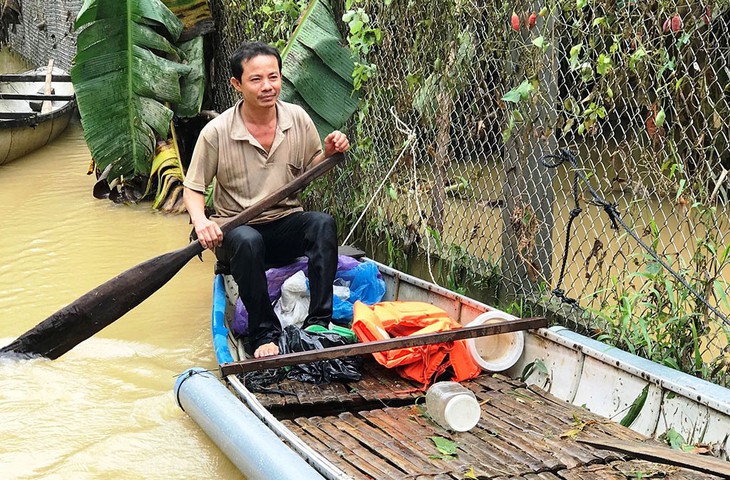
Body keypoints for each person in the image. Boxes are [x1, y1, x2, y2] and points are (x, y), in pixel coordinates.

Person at [182, 42, 350, 358]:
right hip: (238, 232)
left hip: (284, 224)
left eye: (273, 77)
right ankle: (263, 334)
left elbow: (312, 167)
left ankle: (318, 323)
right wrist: (202, 222)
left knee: (322, 223)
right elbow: (192, 189)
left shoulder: (297, 119)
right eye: (256, 79)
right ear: (237, 85)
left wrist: (329, 152)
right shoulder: (216, 133)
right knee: (247, 240)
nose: (267, 86)